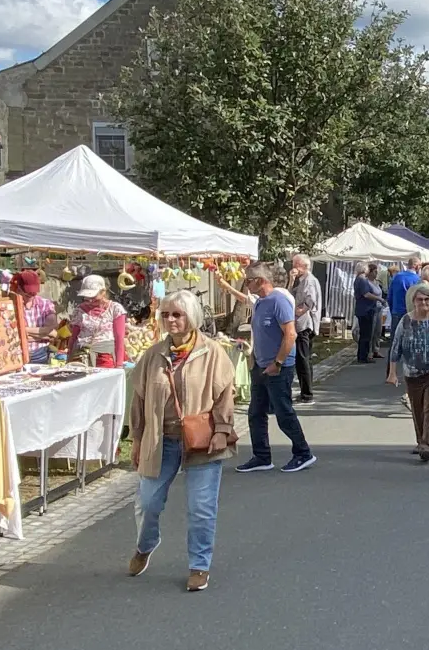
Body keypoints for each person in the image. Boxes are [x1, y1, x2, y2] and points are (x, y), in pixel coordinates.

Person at [128, 290, 236, 592]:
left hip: (202, 441)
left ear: (192, 317)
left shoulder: (212, 352)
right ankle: (146, 544)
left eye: (177, 314)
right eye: (166, 314)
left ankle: (199, 565)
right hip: (160, 441)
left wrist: (221, 431)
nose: (171, 320)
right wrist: (137, 439)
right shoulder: (153, 355)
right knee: (148, 503)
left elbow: (225, 396)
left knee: (201, 507)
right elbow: (138, 400)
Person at [237, 264, 315, 474]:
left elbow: (290, 334)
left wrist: (278, 362)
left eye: (249, 280)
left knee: (283, 412)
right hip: (261, 366)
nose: (246, 284)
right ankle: (261, 456)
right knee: (256, 413)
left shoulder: (278, 301)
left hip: (278, 367)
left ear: (261, 281)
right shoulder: (261, 303)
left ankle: (303, 452)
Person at [387, 283, 429, 462]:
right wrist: (392, 373)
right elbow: (395, 348)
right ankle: (421, 441)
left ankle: (427, 445)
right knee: (417, 409)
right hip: (413, 373)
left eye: (427, 299)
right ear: (414, 302)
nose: (424, 303)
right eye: (420, 300)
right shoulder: (406, 321)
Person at [68, 274, 127, 368]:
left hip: (105, 358)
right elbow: (73, 338)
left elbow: (119, 339)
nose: (90, 301)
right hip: (81, 356)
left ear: (103, 292)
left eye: (94, 298)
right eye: (87, 298)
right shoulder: (79, 310)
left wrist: (119, 364)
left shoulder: (115, 309)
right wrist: (69, 358)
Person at [289, 253, 321, 402]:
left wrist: (298, 311)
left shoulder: (309, 281)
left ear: (303, 266)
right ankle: (306, 391)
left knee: (302, 359)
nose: (293, 267)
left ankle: (307, 394)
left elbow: (310, 300)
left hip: (304, 324)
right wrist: (291, 279)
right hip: (302, 323)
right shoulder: (300, 280)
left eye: (295, 265)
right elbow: (289, 293)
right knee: (304, 358)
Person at [10, 269, 57, 364]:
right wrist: (43, 336)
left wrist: (22, 330)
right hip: (16, 353)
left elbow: (52, 332)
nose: (31, 296)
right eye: (28, 294)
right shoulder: (10, 306)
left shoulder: (46, 304)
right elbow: (10, 334)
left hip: (39, 354)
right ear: (19, 288)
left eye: (34, 293)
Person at [353, 263, 384, 363]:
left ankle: (363, 355)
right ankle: (363, 356)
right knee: (366, 334)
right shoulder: (362, 280)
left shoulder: (359, 279)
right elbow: (366, 294)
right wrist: (379, 298)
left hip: (365, 309)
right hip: (366, 309)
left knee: (366, 334)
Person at [388, 257, 422, 327]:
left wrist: (392, 310)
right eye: (420, 266)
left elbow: (390, 296)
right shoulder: (417, 279)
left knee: (395, 336)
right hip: (410, 312)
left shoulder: (397, 277)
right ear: (416, 266)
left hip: (396, 311)